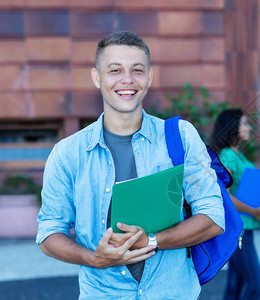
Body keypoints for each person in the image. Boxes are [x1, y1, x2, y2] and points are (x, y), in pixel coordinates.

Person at [36, 31, 225, 299]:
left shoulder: (180, 137)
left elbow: (214, 217)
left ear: (149, 77)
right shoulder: (67, 153)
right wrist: (93, 258)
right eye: (115, 70)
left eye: (137, 70)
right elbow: (48, 233)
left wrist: (152, 240)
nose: (127, 80)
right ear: (97, 77)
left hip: (172, 292)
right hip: (102, 293)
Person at [210, 109, 260, 300]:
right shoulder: (227, 155)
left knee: (236, 283)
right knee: (256, 283)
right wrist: (255, 210)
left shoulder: (238, 155)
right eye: (243, 123)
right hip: (237, 228)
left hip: (245, 226)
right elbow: (224, 196)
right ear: (232, 128)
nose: (248, 127)